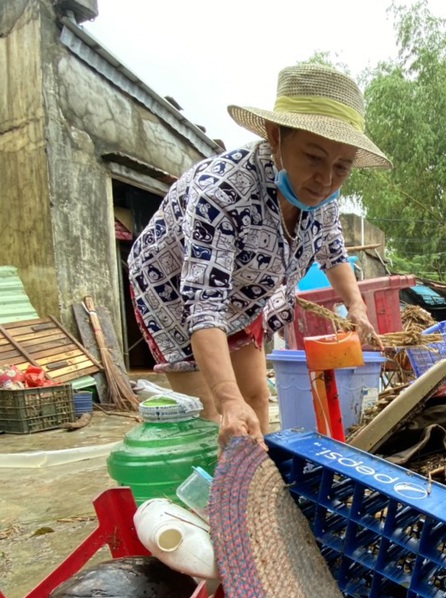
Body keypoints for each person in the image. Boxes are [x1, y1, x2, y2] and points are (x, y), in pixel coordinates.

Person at [127, 64, 390, 447]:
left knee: (256, 398)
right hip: (176, 293)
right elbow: (204, 306)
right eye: (314, 158)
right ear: (275, 136)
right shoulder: (220, 192)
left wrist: (357, 308)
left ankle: (263, 488)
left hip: (249, 293)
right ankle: (224, 495)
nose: (326, 179)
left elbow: (332, 251)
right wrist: (227, 401)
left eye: (341, 167)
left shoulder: (323, 195)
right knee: (216, 413)